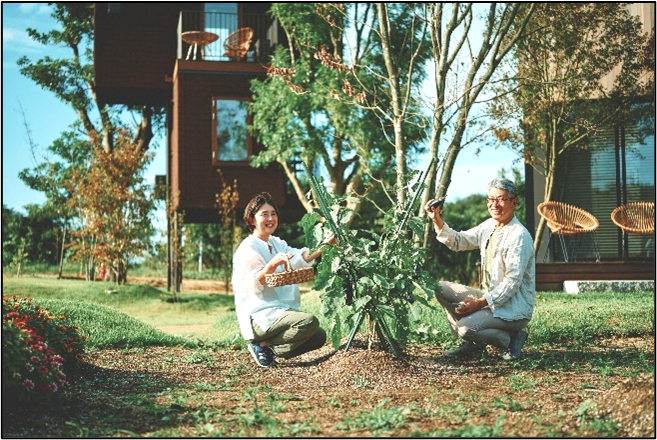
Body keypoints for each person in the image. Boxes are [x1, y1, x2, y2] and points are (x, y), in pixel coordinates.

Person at [424, 178, 535, 360]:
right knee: (441, 288)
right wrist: (436, 219)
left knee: (465, 328)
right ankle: (473, 344)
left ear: (514, 202)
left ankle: (512, 340)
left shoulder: (519, 236)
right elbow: (459, 241)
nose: (494, 205)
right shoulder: (489, 226)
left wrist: (478, 304)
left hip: (512, 309)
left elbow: (512, 283)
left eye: (501, 199)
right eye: (490, 199)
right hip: (489, 299)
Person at [232, 192, 335, 367]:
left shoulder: (277, 243)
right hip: (258, 315)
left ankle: (266, 348)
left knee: (318, 336)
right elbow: (254, 284)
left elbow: (299, 257)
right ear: (251, 220)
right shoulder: (248, 247)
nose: (270, 219)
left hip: (279, 311)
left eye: (273, 214)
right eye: (264, 214)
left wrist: (324, 246)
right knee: (308, 322)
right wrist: (272, 264)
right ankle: (260, 344)